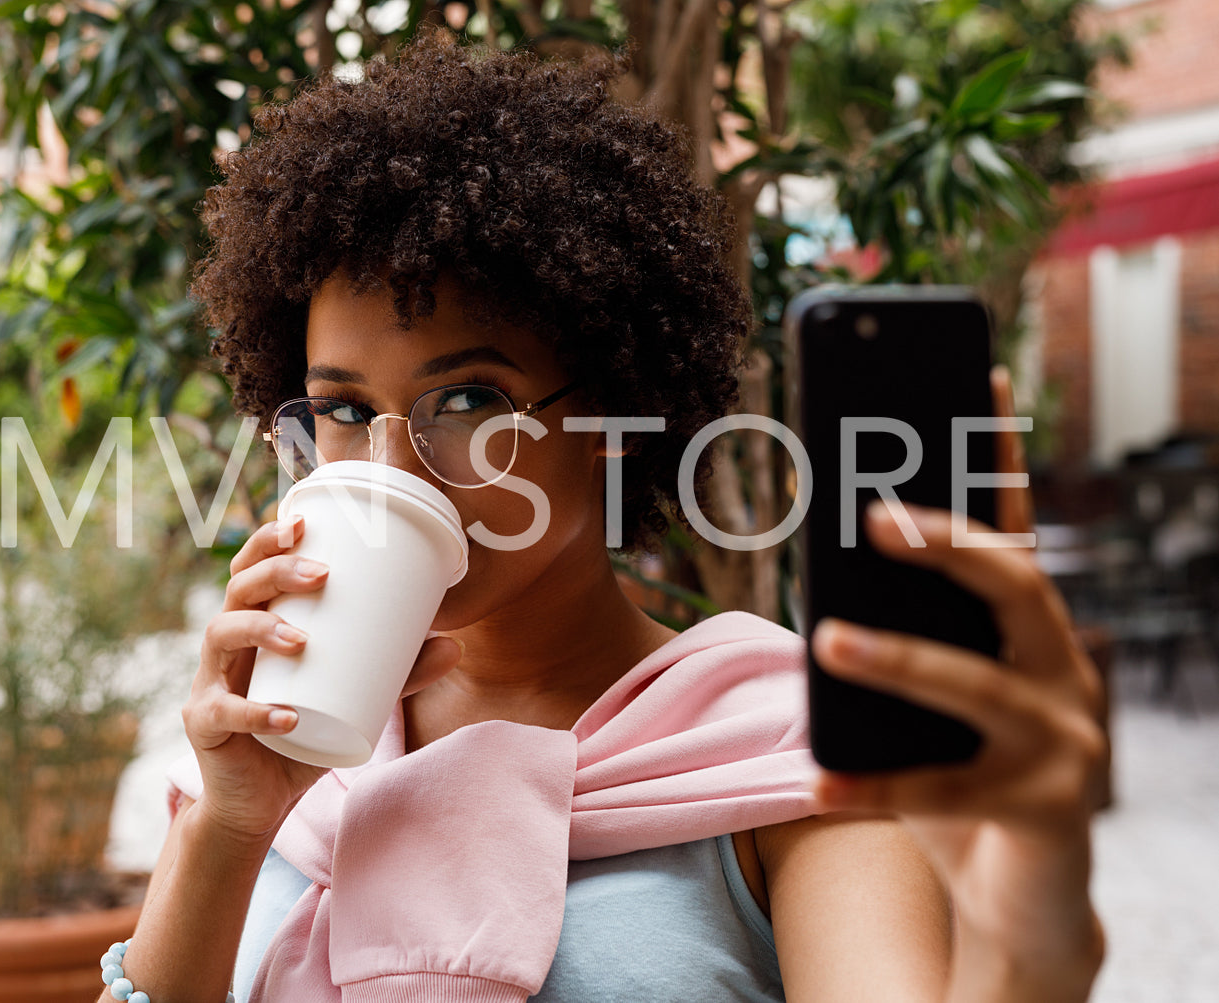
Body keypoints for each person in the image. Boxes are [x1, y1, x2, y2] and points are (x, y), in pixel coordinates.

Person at [98, 30, 1106, 1003]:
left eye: (469, 401)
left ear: (614, 416)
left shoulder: (778, 748)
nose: (394, 464)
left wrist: (1033, 937)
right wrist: (229, 824)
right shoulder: (300, 744)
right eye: (347, 411)